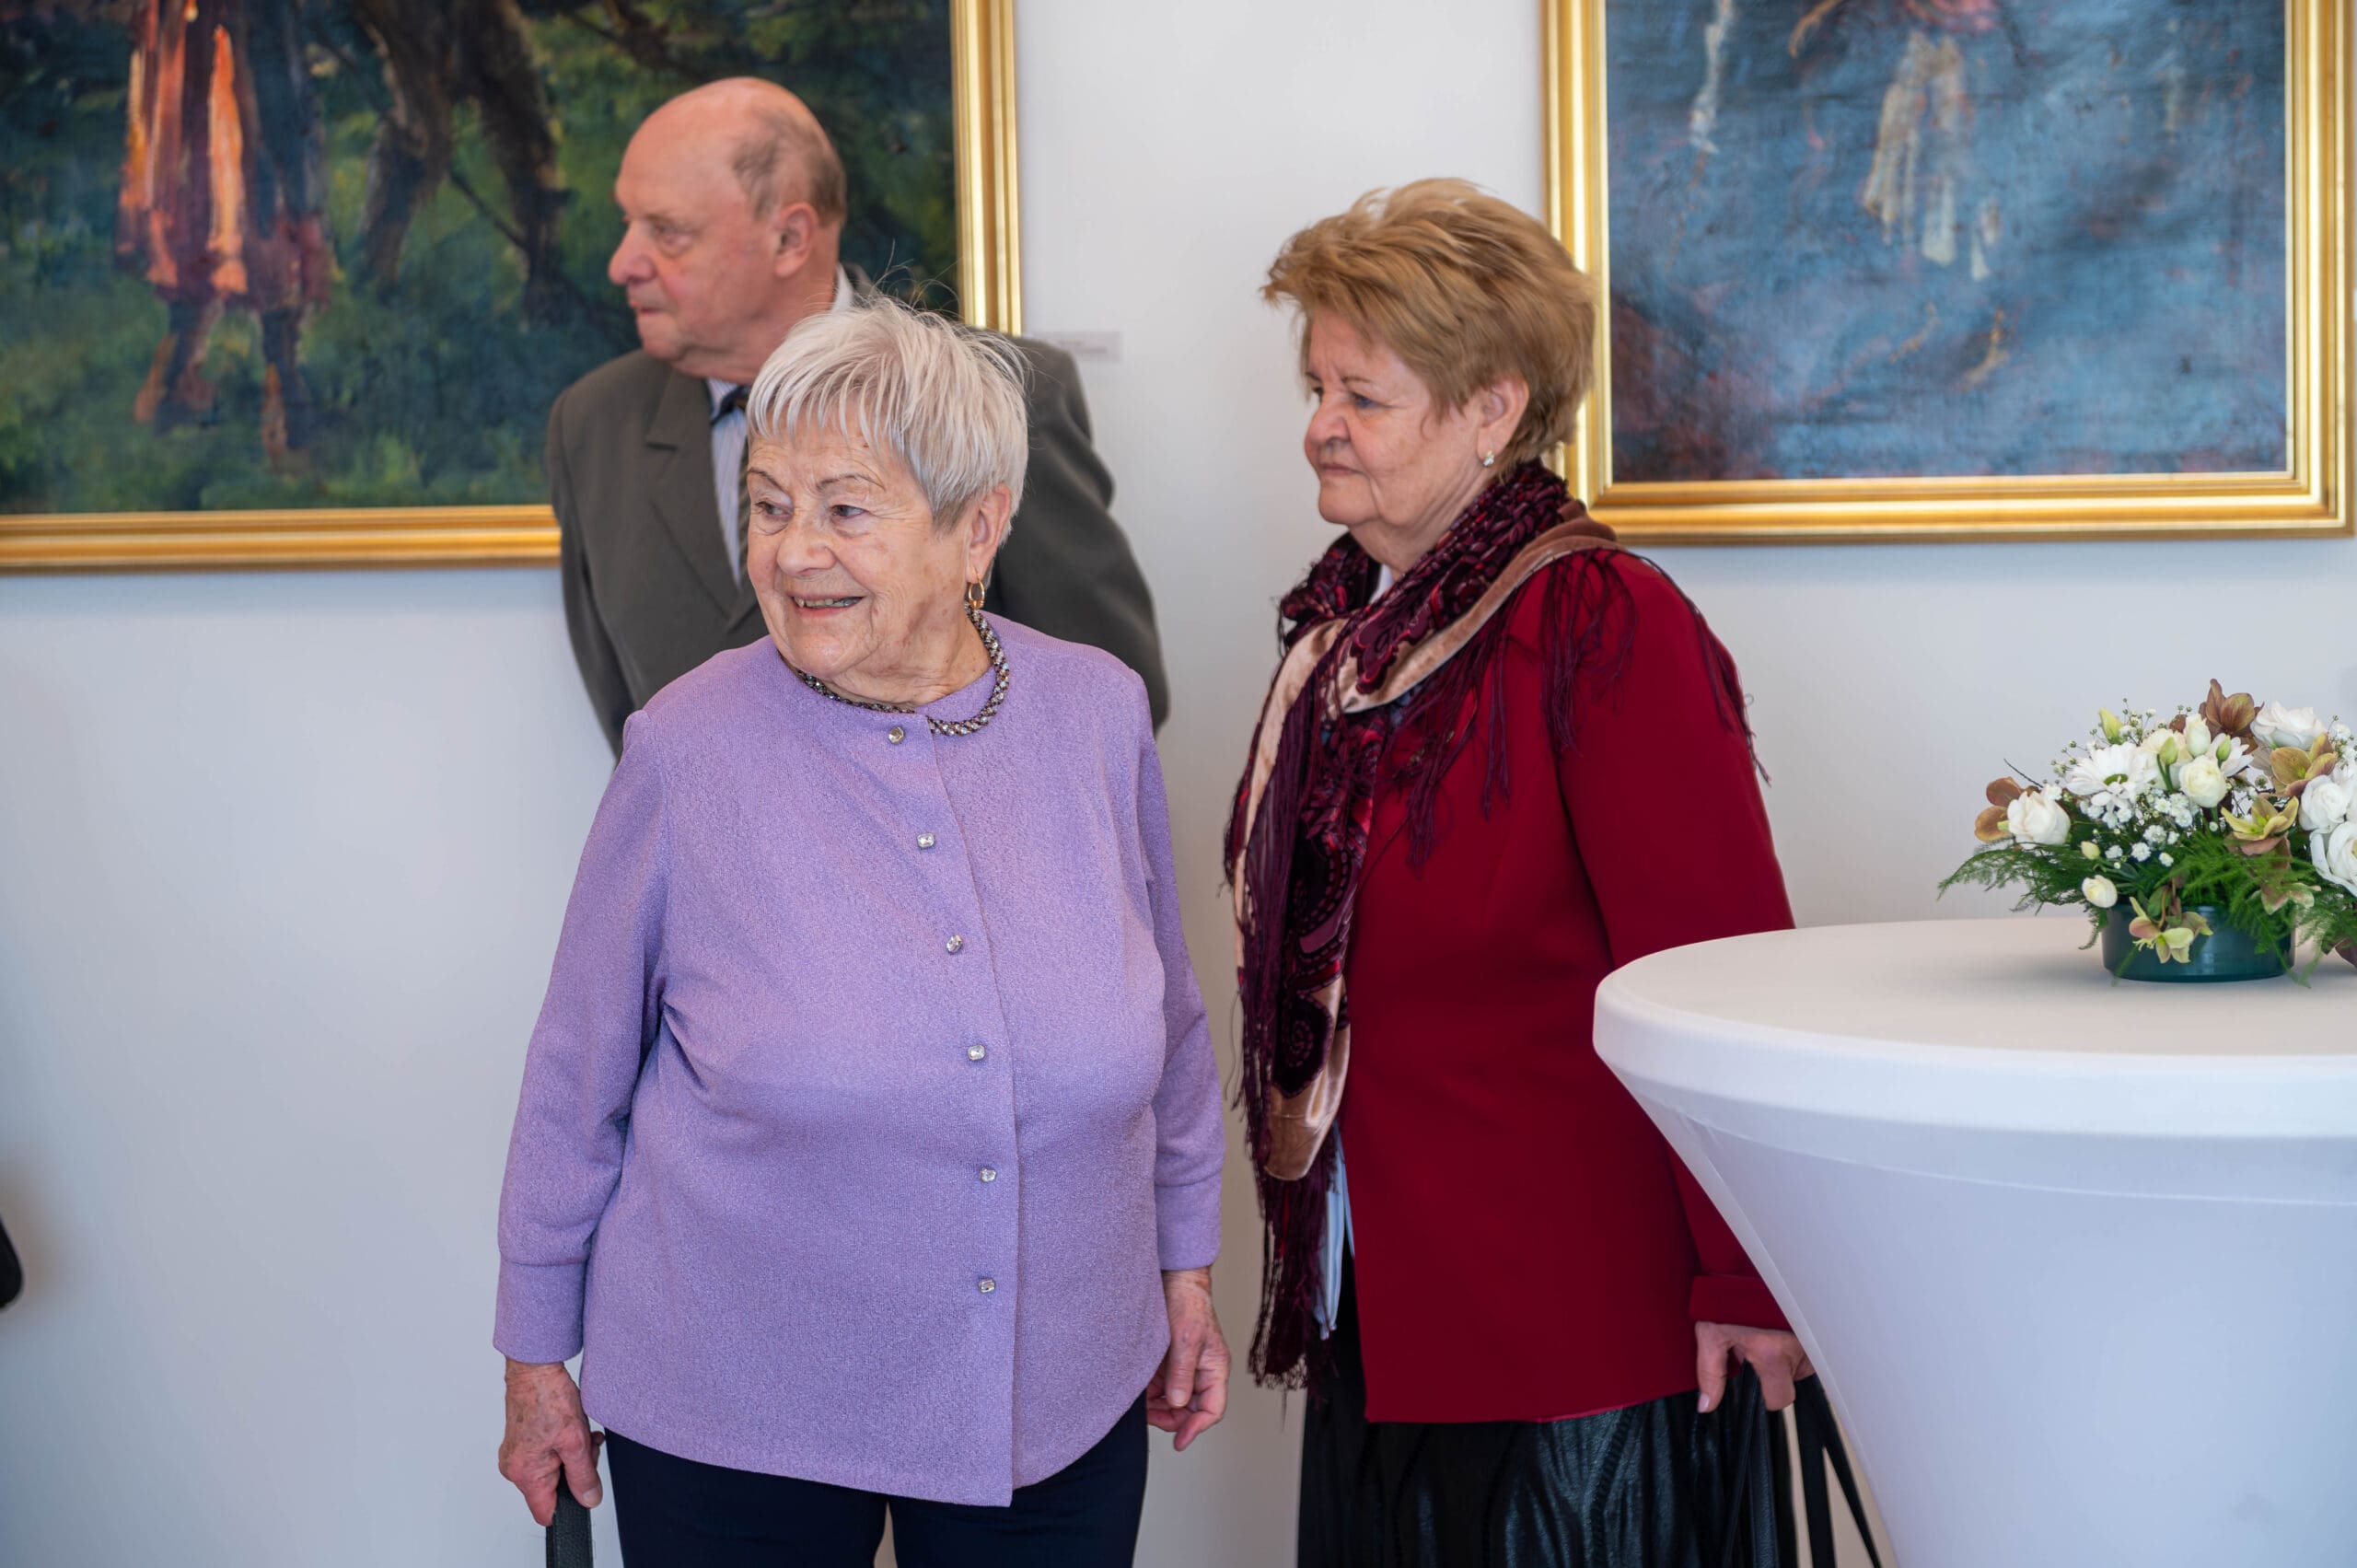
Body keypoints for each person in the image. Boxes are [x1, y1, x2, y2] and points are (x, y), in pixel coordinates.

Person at [495, 296, 1228, 1565]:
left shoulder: (1095, 714)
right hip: (736, 1405)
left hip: (1061, 1388)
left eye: (845, 509)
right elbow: (577, 1075)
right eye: (768, 505)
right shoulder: (685, 748)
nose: (792, 552)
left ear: (977, 526)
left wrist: (1187, 1266)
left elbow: (1167, 1026)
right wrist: (533, 1352)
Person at [1227, 180, 1810, 1567]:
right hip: (1384, 1302)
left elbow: (1717, 972)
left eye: (1363, 394)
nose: (1320, 424)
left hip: (1575, 1329)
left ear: (1491, 408)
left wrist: (1745, 1273)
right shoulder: (1352, 635)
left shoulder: (1601, 620)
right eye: (1317, 387)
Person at [550, 77, 1169, 756]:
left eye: (667, 232)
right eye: (627, 225)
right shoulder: (593, 426)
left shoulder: (999, 394)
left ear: (790, 237)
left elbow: (1104, 696)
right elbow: (630, 719)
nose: (622, 264)